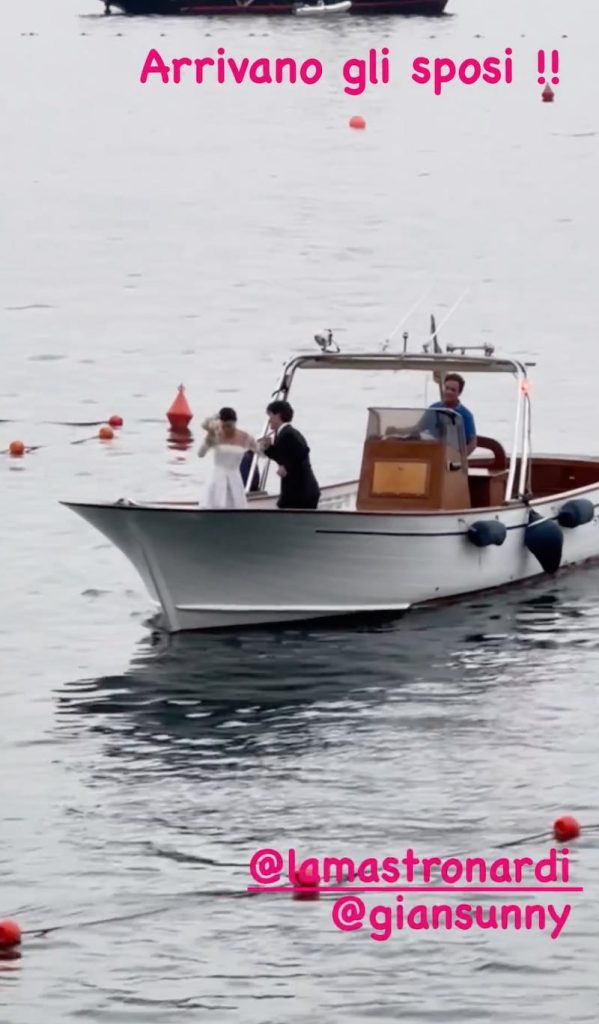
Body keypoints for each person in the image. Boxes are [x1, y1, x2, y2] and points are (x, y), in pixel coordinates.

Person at [258, 400, 320, 510]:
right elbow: (284, 456)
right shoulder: (282, 433)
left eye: (270, 416)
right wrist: (268, 449)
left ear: (277, 415)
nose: (269, 420)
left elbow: (303, 450)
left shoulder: (288, 433)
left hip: (301, 493)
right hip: (296, 492)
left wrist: (286, 467)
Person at [198, 407, 259, 509]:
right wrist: (208, 437)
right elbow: (200, 454)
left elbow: (260, 452)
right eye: (224, 426)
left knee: (236, 505)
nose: (227, 429)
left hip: (235, 476)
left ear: (235, 423)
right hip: (217, 477)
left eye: (230, 426)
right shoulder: (215, 435)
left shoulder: (245, 436)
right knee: (215, 503)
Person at [429, 373, 477, 456]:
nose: (449, 392)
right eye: (447, 388)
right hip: (433, 454)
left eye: (453, 390)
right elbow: (420, 429)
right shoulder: (433, 408)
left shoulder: (466, 415)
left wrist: (459, 460)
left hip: (453, 457)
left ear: (459, 393)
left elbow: (472, 444)